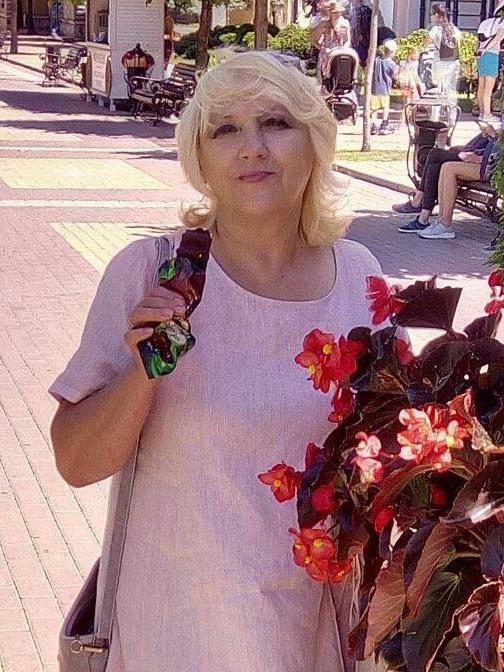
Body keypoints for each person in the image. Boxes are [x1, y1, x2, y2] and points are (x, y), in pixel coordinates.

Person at [49, 51, 387, 672]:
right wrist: (144, 371)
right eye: (225, 129)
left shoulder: (359, 278)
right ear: (199, 160)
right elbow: (76, 461)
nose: (252, 147)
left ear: (315, 143)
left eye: (276, 123)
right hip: (179, 636)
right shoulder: (151, 274)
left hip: (316, 636)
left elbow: (391, 454)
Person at [394, 130, 500, 240]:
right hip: (485, 159)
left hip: (490, 166)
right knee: (443, 164)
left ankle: (441, 222)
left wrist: (493, 136)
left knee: (443, 162)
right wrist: (489, 136)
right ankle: (436, 220)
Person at [424, 3, 461, 107]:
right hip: (453, 62)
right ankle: (452, 111)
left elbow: (425, 44)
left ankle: (438, 111)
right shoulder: (454, 28)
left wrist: (422, 50)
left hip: (440, 62)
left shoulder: (436, 29)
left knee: (438, 87)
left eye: (432, 14)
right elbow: (458, 42)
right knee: (451, 88)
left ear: (436, 15)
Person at [475, 1, 504, 124]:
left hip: (480, 56)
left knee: (481, 86)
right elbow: (497, 39)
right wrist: (487, 50)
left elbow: (478, 41)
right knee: (489, 88)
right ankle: (487, 114)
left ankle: (482, 113)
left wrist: (480, 51)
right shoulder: (502, 23)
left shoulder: (485, 22)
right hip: (491, 55)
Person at [311, 0, 352, 85]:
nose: (338, 14)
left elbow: (347, 40)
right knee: (325, 81)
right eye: (335, 12)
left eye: (339, 12)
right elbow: (314, 40)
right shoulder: (324, 24)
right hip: (326, 56)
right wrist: (323, 49)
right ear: (330, 13)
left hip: (339, 55)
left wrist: (344, 49)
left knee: (340, 78)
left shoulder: (344, 24)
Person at [370, 39, 398, 135]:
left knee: (374, 108)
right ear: (391, 52)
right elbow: (394, 75)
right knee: (385, 107)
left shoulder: (376, 60)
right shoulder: (391, 63)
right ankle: (384, 124)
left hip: (374, 88)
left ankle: (373, 125)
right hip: (385, 88)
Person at [397, 47, 423, 117]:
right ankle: (404, 119)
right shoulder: (409, 63)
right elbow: (413, 75)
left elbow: (414, 75)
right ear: (412, 54)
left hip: (408, 84)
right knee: (409, 103)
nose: (418, 57)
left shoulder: (411, 62)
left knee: (410, 103)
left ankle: (407, 118)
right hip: (408, 84)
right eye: (417, 55)